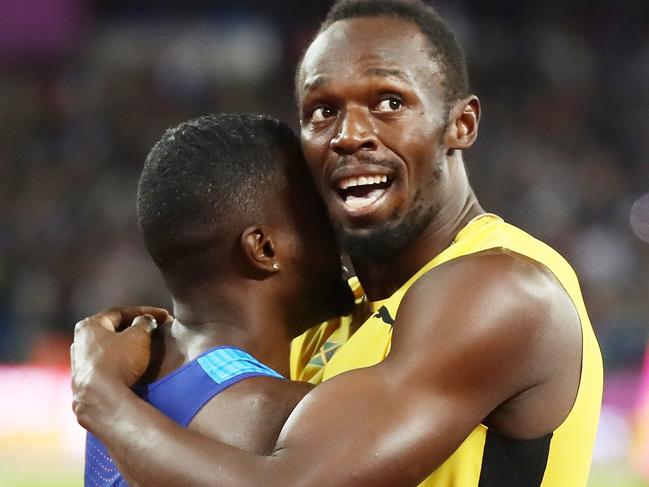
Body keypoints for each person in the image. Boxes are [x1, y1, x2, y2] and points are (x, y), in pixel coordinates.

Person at [71, 1, 603, 485]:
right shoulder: (317, 311)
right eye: (323, 110)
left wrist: (104, 401)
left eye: (389, 102)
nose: (349, 134)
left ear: (459, 124)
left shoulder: (502, 290)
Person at [77, 113, 355, 485]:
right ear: (264, 248)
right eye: (318, 213)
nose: (340, 226)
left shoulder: (120, 376)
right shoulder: (281, 414)